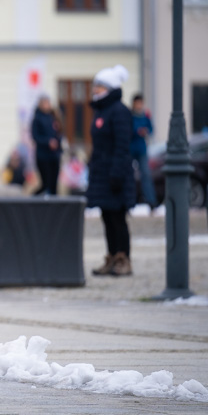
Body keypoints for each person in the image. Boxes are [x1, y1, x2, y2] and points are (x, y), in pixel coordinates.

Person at [86, 64, 135, 277]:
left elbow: (122, 146)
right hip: (102, 175)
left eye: (99, 86)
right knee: (107, 216)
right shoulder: (101, 111)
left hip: (116, 175)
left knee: (117, 217)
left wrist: (116, 173)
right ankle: (111, 256)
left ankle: (123, 258)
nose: (95, 89)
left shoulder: (119, 112)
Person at [31, 93, 62, 195]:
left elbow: (59, 133)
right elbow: (35, 136)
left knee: (54, 184)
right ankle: (34, 198)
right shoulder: (37, 118)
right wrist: (48, 142)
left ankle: (54, 205)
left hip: (54, 155)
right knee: (46, 183)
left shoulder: (53, 116)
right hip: (43, 155)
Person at [130, 93, 157, 209]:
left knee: (146, 175)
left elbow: (151, 129)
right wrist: (137, 131)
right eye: (137, 103)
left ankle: (151, 200)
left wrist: (146, 131)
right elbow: (128, 129)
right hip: (131, 149)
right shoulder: (130, 116)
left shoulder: (146, 116)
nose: (139, 105)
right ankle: (130, 200)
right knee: (129, 175)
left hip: (141, 149)